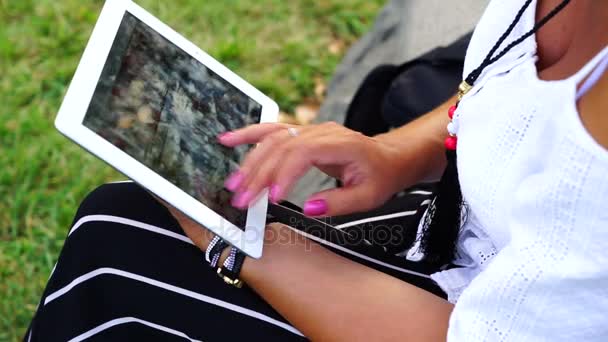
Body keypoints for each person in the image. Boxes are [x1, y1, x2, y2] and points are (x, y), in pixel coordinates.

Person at [27, 0, 608, 340]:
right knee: (118, 220)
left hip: (467, 316)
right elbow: (497, 89)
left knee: (118, 261)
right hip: (452, 236)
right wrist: (394, 153)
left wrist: (231, 243)